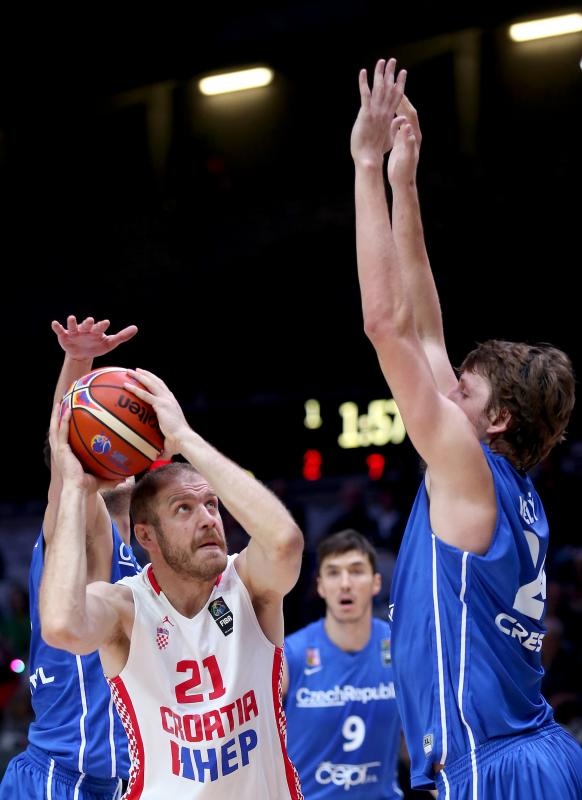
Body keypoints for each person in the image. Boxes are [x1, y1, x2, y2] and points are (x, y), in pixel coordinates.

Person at [350, 57, 582, 798]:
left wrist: (363, 165)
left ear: (498, 418)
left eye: (465, 388)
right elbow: (424, 333)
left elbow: (388, 326)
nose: (447, 385)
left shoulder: (467, 470)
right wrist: (404, 185)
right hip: (535, 753)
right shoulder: (510, 489)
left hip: (493, 767)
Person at [40, 367, 305, 798]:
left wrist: (183, 439)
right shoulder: (126, 608)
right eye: (184, 509)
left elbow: (285, 542)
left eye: (211, 504)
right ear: (146, 536)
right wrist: (74, 488)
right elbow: (60, 627)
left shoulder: (248, 586)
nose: (207, 519)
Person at [0, 315, 143, 800]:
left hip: (121, 785)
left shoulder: (139, 566)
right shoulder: (76, 534)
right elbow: (69, 462)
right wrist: (79, 361)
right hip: (58, 780)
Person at [282, 528, 408, 799]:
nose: (345, 583)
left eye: (356, 570)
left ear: (376, 583)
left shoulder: (399, 649)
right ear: (320, 586)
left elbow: (419, 745)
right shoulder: (292, 655)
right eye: (334, 572)